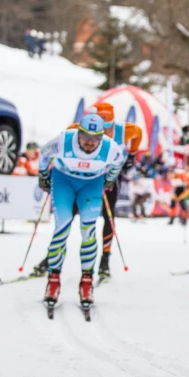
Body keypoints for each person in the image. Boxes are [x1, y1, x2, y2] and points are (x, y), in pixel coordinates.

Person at [37, 109, 125, 311]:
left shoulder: (110, 148)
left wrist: (110, 178)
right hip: (63, 181)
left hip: (91, 184)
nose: (90, 142)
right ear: (78, 133)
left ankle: (86, 283)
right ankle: (53, 280)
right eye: (85, 136)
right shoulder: (64, 140)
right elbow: (43, 153)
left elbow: (118, 162)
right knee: (62, 227)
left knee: (88, 229)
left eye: (95, 138)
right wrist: (43, 175)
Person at [92, 103, 142, 279]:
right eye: (101, 126)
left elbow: (139, 133)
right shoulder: (88, 128)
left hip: (112, 177)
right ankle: (53, 257)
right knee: (74, 213)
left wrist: (132, 155)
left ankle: (105, 259)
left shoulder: (125, 130)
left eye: (108, 126)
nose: (104, 131)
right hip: (91, 176)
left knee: (109, 216)